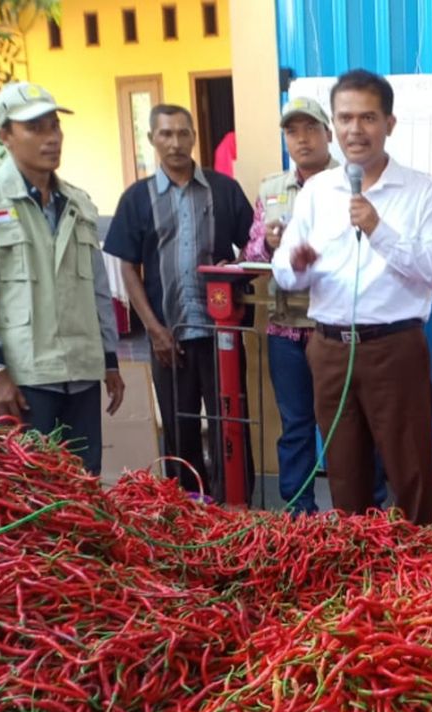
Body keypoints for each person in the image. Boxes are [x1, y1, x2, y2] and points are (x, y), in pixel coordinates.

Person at [272, 69, 432, 525]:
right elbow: (283, 272)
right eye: (346, 118)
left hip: (395, 349)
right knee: (344, 471)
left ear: (389, 123)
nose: (356, 130)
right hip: (330, 350)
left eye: (368, 118)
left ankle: (420, 573)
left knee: (409, 469)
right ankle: (357, 574)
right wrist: (295, 266)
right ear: (334, 126)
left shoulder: (421, 192)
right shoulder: (316, 192)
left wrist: (379, 229)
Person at [0, 81, 125, 475]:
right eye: (35, 128)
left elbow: (97, 290)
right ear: (6, 136)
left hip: (81, 375)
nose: (51, 138)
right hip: (25, 380)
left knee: (83, 489)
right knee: (30, 495)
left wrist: (109, 360)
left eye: (54, 126)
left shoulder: (79, 204)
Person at [241, 96, 386, 513]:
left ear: (328, 134)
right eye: (292, 131)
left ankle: (366, 510)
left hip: (339, 327)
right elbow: (253, 254)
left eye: (310, 129)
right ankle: (299, 513)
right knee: (297, 426)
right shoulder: (271, 189)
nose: (301, 139)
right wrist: (267, 244)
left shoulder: (353, 183)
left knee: (352, 423)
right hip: (286, 329)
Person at [104, 104, 254, 501]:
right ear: (152, 139)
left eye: (182, 133)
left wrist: (235, 267)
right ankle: (186, 508)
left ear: (193, 137)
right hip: (168, 334)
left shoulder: (224, 190)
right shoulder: (137, 198)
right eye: (165, 134)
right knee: (177, 425)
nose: (175, 142)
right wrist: (153, 329)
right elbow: (128, 268)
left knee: (229, 424)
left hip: (222, 331)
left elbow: (253, 249)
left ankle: (231, 505)